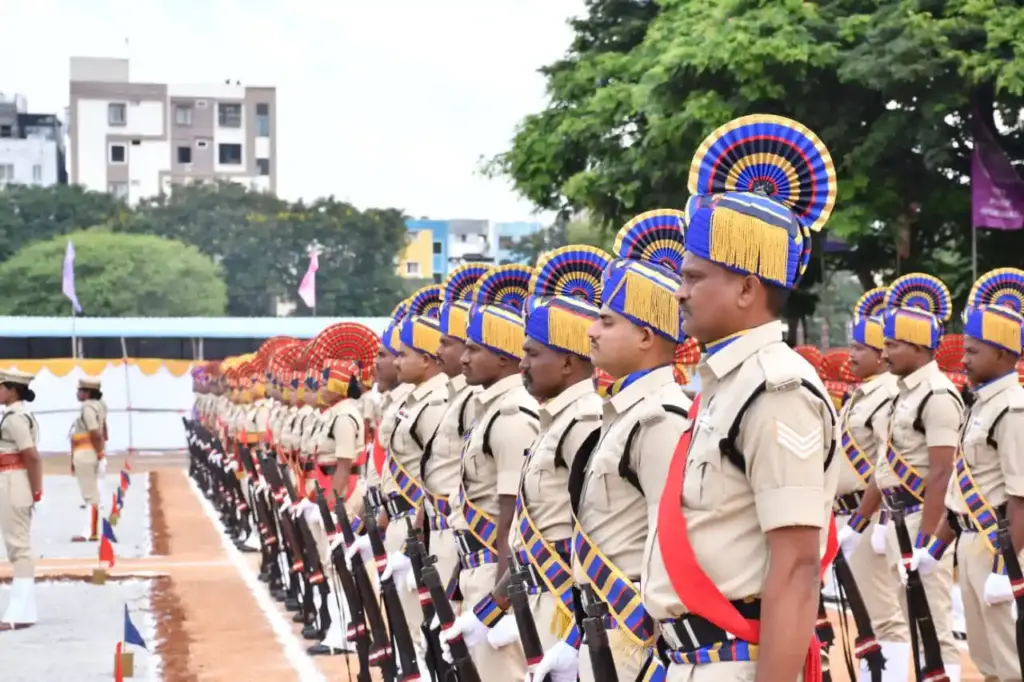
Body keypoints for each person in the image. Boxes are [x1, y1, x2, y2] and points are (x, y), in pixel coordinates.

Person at [650, 114, 841, 682]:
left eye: (693, 277)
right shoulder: (724, 386)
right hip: (683, 660)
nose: (679, 292)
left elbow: (796, 569)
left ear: (745, 288)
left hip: (732, 664)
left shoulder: (776, 390)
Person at [557, 210, 694, 682]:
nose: (591, 331)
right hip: (599, 634)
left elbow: (672, 544)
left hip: (635, 644)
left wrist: (660, 657)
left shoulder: (659, 418)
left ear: (645, 335)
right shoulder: (623, 413)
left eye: (606, 320)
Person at [845, 271, 964, 680]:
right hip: (896, 520)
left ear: (917, 346)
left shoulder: (938, 395)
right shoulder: (904, 393)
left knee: (935, 626)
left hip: (919, 520)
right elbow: (886, 464)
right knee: (914, 620)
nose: (887, 352)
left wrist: (927, 542)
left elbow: (942, 473)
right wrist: (862, 523)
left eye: (893, 345)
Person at [914, 267, 1024, 681]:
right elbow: (964, 488)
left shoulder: (1014, 408)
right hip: (970, 542)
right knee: (985, 659)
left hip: (1001, 548)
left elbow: (1020, 496)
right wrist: (936, 549)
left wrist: (1002, 570)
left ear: (1002, 353)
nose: (964, 358)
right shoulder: (982, 404)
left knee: (1011, 661)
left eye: (974, 351)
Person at [511, 245, 611, 682]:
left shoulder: (584, 420)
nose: (522, 364)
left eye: (533, 354)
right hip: (537, 596)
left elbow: (590, 531)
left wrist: (575, 636)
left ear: (568, 361)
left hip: (562, 606)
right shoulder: (557, 419)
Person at [439, 264, 540, 679]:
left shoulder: (513, 415)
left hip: (495, 574)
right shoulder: (490, 410)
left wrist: (501, 607)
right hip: (476, 569)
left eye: (473, 349)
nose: (463, 358)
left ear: (503, 357)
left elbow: (510, 516)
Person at [833, 287, 910, 680]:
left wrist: (876, 522)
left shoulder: (885, 397)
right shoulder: (863, 394)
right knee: (864, 612)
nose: (851, 354)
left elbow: (888, 461)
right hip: (849, 516)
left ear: (881, 354)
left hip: (870, 516)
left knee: (883, 614)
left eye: (859, 348)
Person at [421, 264, 490, 608]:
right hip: (445, 530)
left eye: (447, 343)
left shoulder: (478, 402)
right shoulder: (460, 397)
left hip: (469, 538)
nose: (439, 351)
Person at [0, 370, 42, 632]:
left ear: (12, 390)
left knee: (19, 547)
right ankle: (25, 608)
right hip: (12, 479)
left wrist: (37, 491)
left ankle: (21, 611)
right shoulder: (17, 414)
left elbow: (32, 456)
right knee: (17, 546)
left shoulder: (15, 418)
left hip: (13, 480)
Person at [70, 378, 108, 543]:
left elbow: (96, 432)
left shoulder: (87, 407)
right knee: (92, 493)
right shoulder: (101, 406)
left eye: (80, 390)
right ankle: (91, 530)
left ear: (87, 393)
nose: (78, 393)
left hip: (85, 451)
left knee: (89, 494)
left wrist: (99, 454)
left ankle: (90, 532)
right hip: (92, 451)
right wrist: (101, 453)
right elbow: (105, 431)